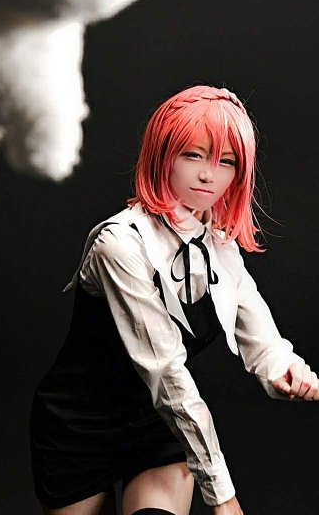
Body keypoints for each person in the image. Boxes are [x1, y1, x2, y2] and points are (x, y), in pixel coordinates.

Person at [29, 84, 319, 515]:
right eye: (193, 155)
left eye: (226, 161)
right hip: (79, 427)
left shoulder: (217, 242)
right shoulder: (119, 246)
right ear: (163, 155)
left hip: (158, 421)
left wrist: (284, 370)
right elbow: (165, 371)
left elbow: (258, 328)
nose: (208, 175)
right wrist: (223, 496)